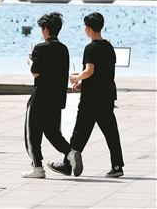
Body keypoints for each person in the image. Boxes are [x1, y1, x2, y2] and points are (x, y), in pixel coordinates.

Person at [48, 12, 124, 178]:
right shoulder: (109, 47)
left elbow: (90, 70)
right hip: (107, 95)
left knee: (80, 131)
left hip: (91, 98)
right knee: (111, 132)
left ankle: (68, 165)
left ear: (88, 28)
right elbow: (104, 73)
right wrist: (84, 82)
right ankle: (117, 165)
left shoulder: (90, 48)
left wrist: (77, 77)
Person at [21, 12, 82, 178]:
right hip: (57, 97)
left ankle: (37, 167)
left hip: (40, 96)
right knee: (53, 132)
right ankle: (70, 153)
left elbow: (36, 73)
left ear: (45, 29)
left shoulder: (40, 48)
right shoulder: (63, 49)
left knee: (32, 134)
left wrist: (31, 62)